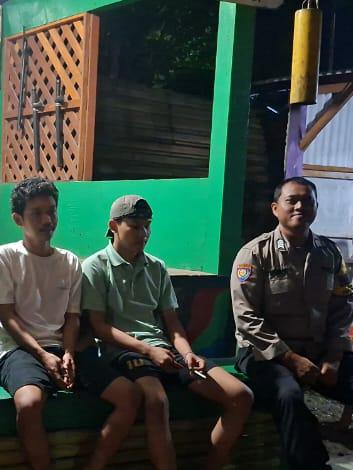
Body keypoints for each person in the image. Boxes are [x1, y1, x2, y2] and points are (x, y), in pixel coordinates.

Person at [231, 177, 353, 470]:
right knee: (288, 396)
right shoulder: (254, 254)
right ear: (275, 209)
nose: (300, 206)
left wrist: (334, 357)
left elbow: (342, 307)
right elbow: (246, 316)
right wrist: (290, 358)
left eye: (307, 201)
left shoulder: (329, 252)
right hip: (264, 354)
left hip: (320, 351)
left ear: (316, 208)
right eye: (292, 201)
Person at [81, 195, 253, 470]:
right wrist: (148, 351)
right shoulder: (95, 266)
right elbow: (100, 327)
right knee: (157, 401)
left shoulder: (156, 267)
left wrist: (188, 354)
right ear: (113, 226)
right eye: (135, 227)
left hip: (165, 350)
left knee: (240, 396)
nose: (144, 234)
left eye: (147, 226)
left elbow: (173, 323)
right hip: (124, 351)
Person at [0, 178, 138, 470]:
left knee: (129, 396)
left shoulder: (69, 261)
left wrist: (68, 353)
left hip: (63, 349)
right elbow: (7, 317)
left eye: (52, 211)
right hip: (18, 350)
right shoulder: (4, 257)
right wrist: (43, 355)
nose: (47, 220)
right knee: (29, 404)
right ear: (18, 219)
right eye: (37, 213)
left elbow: (72, 318)